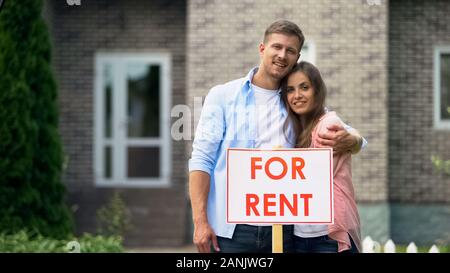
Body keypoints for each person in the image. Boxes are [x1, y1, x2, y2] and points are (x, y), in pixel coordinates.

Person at [188, 19, 365, 253]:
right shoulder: (222, 96)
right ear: (262, 49)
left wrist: (354, 140)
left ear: (297, 57)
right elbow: (202, 160)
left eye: (290, 51)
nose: (282, 55)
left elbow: (342, 129)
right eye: (277, 47)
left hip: (284, 229)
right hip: (231, 231)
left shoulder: (295, 99)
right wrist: (200, 222)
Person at [281, 61, 362, 253]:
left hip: (329, 235)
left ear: (317, 91)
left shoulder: (328, 124)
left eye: (304, 88)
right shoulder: (295, 129)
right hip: (301, 235)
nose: (297, 95)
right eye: (290, 90)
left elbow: (315, 179)